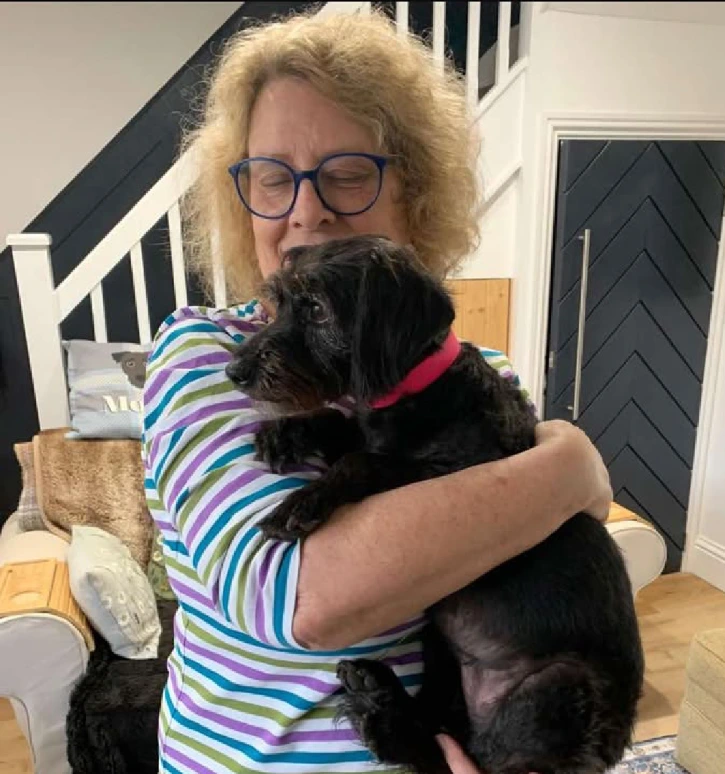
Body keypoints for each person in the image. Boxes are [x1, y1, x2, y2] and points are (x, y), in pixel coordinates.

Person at [141, 8, 612, 774]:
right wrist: (571, 469)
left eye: (347, 175)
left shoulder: (477, 371)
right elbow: (295, 598)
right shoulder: (202, 358)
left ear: (413, 195)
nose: (306, 209)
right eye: (272, 177)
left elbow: (558, 563)